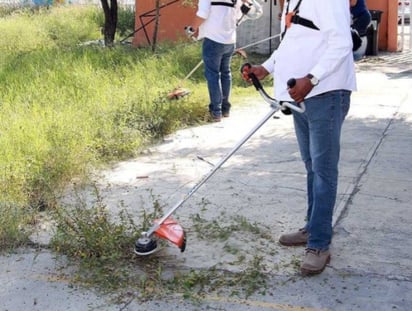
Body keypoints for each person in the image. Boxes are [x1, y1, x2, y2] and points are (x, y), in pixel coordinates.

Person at [244, 0, 356, 275]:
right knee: (312, 168)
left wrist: (312, 79)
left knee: (323, 171)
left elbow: (342, 44)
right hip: (301, 96)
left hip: (324, 94)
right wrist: (267, 68)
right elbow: (292, 39)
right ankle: (312, 228)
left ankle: (319, 245)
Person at [185, 0, 262, 122]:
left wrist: (191, 29)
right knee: (225, 73)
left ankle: (216, 111)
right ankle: (225, 109)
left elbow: (203, 14)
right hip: (229, 41)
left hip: (213, 39)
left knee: (213, 75)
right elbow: (241, 16)